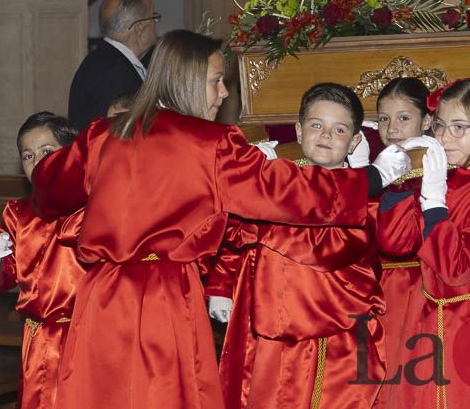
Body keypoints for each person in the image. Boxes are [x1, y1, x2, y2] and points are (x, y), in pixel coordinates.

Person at [30, 30, 411, 409]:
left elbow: (47, 187)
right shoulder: (208, 143)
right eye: (216, 81)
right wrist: (370, 180)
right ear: (189, 80)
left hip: (100, 292)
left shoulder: (104, 134)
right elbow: (283, 190)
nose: (224, 93)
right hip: (162, 291)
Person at [207, 83, 386, 409]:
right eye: (317, 125)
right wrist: (220, 285)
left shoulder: (363, 200)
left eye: (339, 129)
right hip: (269, 327)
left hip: (334, 334)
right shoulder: (276, 185)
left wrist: (267, 222)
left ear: (354, 141)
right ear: (299, 131)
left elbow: (327, 248)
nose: (326, 135)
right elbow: (236, 234)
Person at [376, 78, 470, 409]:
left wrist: (433, 200)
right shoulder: (439, 177)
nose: (444, 138)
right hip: (428, 316)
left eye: (459, 127)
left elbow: (457, 268)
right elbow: (395, 242)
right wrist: (399, 182)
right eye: (441, 126)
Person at [0, 112, 86, 409]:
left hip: (84, 334)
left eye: (47, 152)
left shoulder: (91, 206)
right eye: (28, 155)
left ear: (71, 154)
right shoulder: (18, 212)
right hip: (38, 337)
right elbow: (5, 278)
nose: (37, 161)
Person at [372, 77, 433, 408]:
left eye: (403, 118)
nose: (392, 128)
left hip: (413, 289)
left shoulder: (437, 171)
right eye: (384, 118)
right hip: (374, 289)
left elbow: (400, 240)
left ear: (426, 122)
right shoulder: (374, 169)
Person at [67, 0, 159, 129]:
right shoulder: (115, 72)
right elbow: (111, 135)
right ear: (139, 27)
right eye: (154, 17)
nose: (155, 24)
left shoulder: (105, 61)